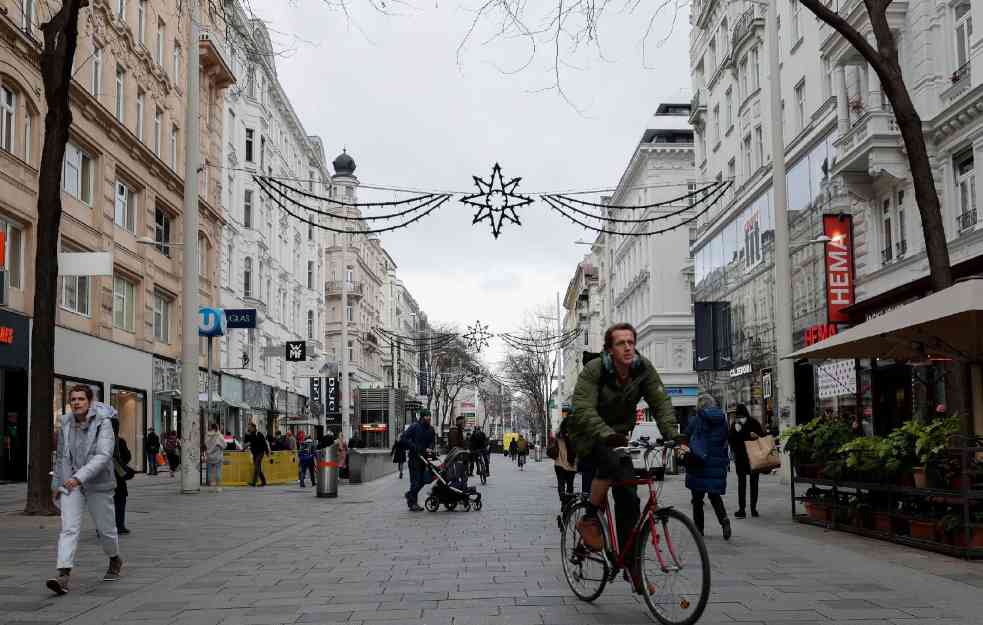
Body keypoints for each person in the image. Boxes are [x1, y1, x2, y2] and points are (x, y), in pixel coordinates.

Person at [567, 322, 675, 595]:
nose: (627, 347)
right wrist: (605, 433)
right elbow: (582, 407)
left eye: (631, 342)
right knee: (611, 461)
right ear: (609, 349)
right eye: (620, 343)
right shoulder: (595, 370)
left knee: (629, 495)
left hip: (618, 436)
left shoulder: (642, 368)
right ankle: (589, 519)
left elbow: (660, 402)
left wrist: (674, 436)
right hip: (587, 433)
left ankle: (631, 567)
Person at [47, 386, 123, 595]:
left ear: (89, 401)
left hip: (98, 483)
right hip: (71, 484)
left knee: (105, 530)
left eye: (81, 399)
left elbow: (103, 455)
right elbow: (62, 456)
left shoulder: (103, 423)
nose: (77, 402)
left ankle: (114, 558)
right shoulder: (65, 423)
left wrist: (78, 478)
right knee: (68, 528)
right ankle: (63, 575)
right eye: (73, 399)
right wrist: (58, 484)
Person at [685, 394, 731, 539]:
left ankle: (699, 530)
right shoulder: (723, 421)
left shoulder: (697, 419)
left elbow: (687, 436)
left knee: (697, 500)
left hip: (699, 463)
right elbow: (725, 439)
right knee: (714, 496)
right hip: (716, 463)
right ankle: (724, 521)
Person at [728, 403, 765, 519]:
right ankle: (753, 509)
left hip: (740, 458)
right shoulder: (753, 422)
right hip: (754, 457)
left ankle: (742, 510)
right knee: (754, 483)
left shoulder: (735, 424)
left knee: (741, 484)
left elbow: (731, 440)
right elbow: (762, 437)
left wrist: (739, 436)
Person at [400, 410, 436, 511]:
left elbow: (432, 442)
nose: (429, 418)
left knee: (424, 480)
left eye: (429, 416)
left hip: (424, 459)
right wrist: (413, 446)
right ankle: (413, 504)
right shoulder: (414, 427)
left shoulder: (431, 429)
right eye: (426, 416)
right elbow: (403, 438)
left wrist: (430, 447)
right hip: (414, 458)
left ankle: (410, 494)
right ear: (422, 417)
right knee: (415, 481)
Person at [111, 418, 132, 535]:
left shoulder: (99, 442)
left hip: (104, 478)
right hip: (118, 477)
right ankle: (119, 525)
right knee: (120, 502)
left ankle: (102, 528)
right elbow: (128, 456)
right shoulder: (119, 441)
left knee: (105, 505)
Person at [551, 422, 576, 504]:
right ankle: (567, 503)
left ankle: (563, 499)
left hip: (559, 464)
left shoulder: (558, 436)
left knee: (561, 483)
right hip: (571, 466)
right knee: (570, 485)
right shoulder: (574, 437)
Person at [204, 423, 225, 487]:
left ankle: (210, 484)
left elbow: (205, 444)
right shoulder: (220, 436)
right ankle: (218, 485)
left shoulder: (207, 435)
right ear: (217, 428)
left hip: (210, 456)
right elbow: (224, 446)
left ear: (211, 428)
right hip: (218, 456)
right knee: (218, 470)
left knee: (209, 471)